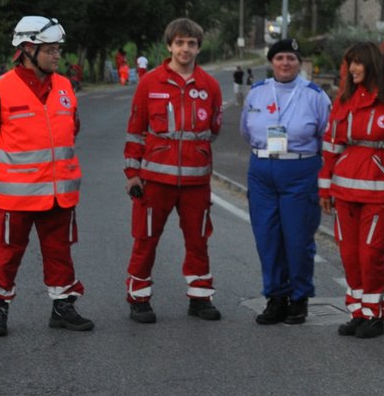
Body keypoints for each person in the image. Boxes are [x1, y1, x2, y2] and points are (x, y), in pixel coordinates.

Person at [0, 15, 93, 336]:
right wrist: (6, 170)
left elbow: (72, 129)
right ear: (27, 50)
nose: (57, 55)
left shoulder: (66, 86)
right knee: (6, 255)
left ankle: (62, 306)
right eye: (50, 49)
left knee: (60, 252)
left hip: (58, 194)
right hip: (15, 196)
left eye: (58, 49)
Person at [123, 18, 223, 323]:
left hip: (196, 182)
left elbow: (213, 129)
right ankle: (139, 297)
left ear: (198, 48)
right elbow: (135, 131)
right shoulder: (150, 82)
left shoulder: (210, 86)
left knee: (198, 240)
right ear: (169, 46)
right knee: (146, 238)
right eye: (179, 43)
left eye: (191, 43)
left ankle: (200, 297)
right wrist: (132, 174)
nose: (185, 49)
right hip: (155, 181)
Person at [241, 37, 331, 325]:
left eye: (291, 58)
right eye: (279, 58)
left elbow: (327, 139)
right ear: (271, 62)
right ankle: (276, 297)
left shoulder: (315, 95)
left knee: (297, 238)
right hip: (262, 171)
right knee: (267, 237)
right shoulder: (256, 93)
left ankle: (299, 298)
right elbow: (246, 131)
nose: (285, 63)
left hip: (300, 171)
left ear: (299, 62)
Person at [319, 42, 384, 339]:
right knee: (350, 255)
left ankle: (374, 314)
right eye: (349, 63)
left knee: (370, 255)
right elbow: (330, 146)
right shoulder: (344, 100)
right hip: (345, 192)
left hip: (380, 193)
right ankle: (357, 311)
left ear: (372, 64)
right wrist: (325, 189)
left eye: (358, 63)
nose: (352, 69)